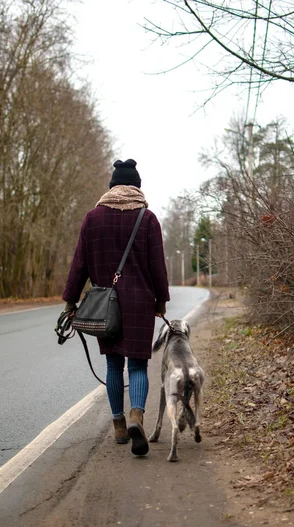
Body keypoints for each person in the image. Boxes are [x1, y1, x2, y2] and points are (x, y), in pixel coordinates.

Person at [62, 159, 170, 456]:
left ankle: (119, 425)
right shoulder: (147, 219)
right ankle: (137, 414)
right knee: (136, 364)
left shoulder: (92, 218)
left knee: (112, 364)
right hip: (139, 303)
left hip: (104, 305)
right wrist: (161, 301)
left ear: (111, 187)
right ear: (136, 186)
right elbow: (157, 267)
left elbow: (79, 264)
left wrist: (70, 300)